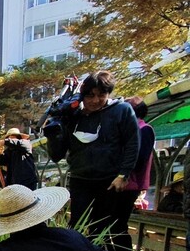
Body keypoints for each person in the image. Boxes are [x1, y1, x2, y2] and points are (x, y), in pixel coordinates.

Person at [45, 71, 140, 240]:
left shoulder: (121, 110)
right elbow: (56, 155)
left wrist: (123, 174)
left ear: (108, 93)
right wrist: (53, 133)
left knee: (103, 228)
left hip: (109, 180)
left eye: (101, 95)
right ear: (82, 96)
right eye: (90, 96)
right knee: (77, 226)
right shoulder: (73, 116)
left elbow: (133, 144)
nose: (95, 100)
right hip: (80, 179)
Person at [111, 96, 155, 251]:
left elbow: (140, 159)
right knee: (111, 224)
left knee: (118, 225)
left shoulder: (144, 130)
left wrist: (123, 172)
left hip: (129, 185)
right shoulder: (129, 130)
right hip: (119, 184)